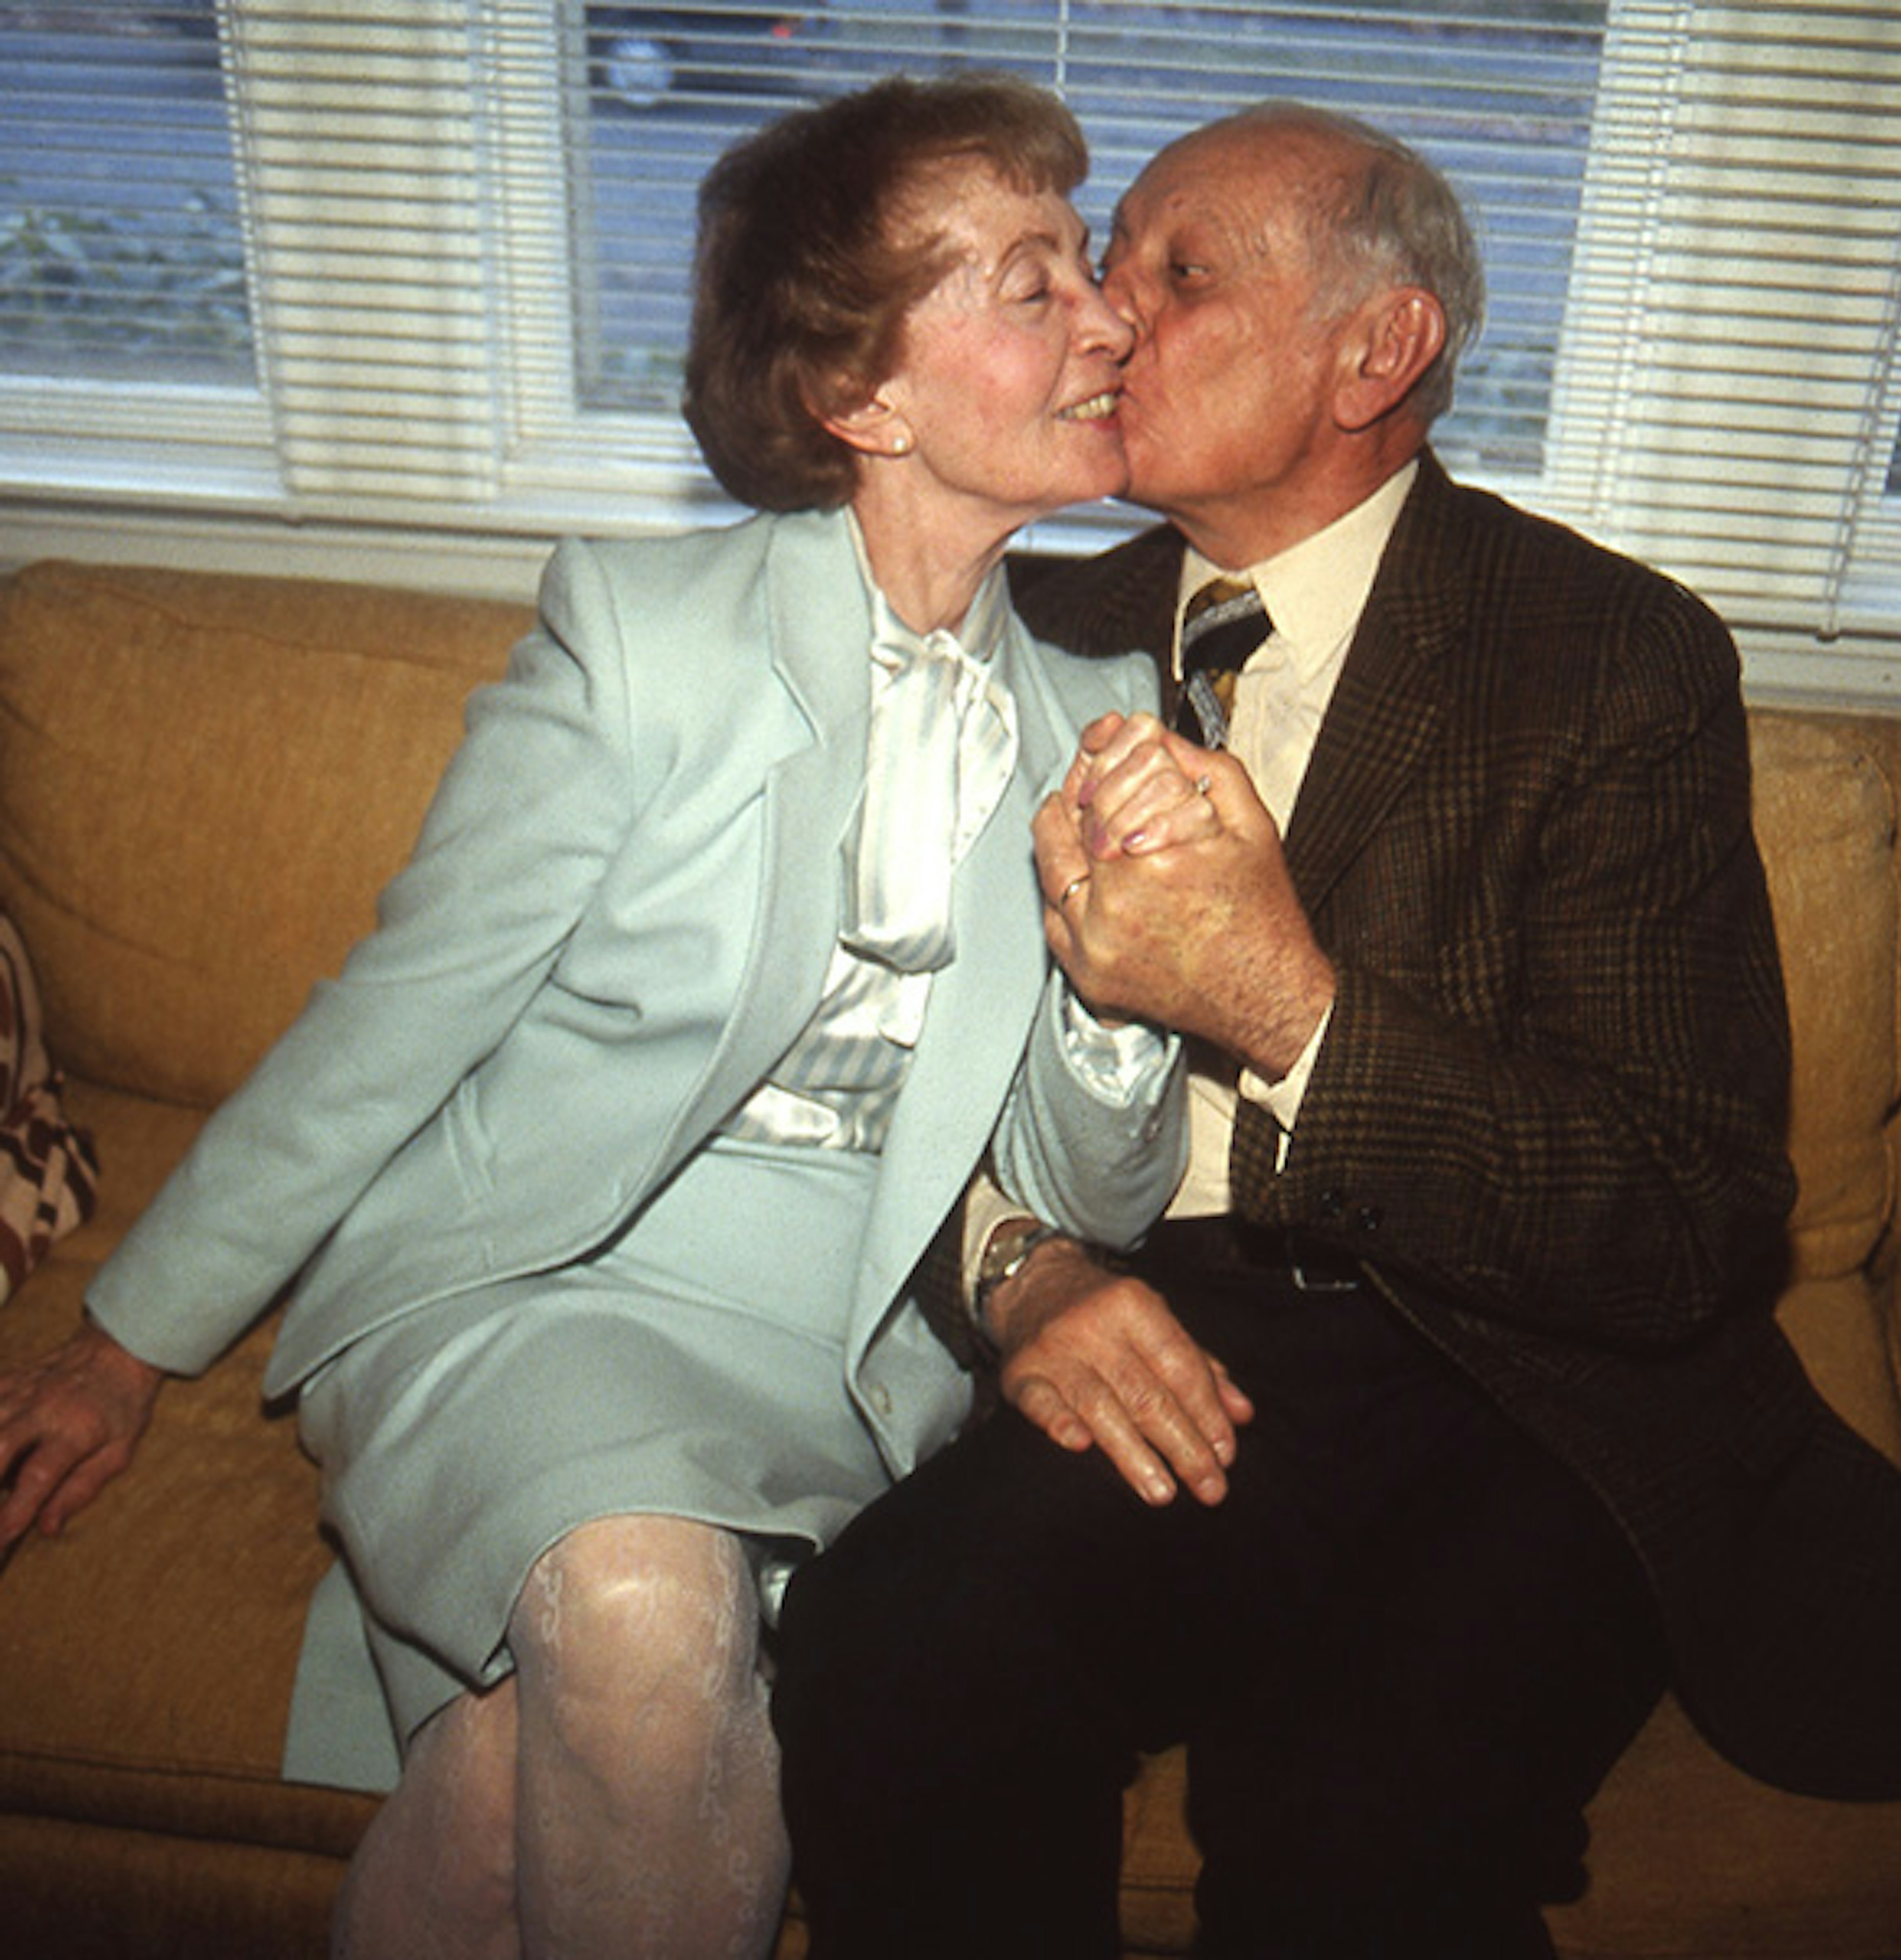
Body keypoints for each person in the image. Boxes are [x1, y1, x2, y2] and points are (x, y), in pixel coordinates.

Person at [0, 75, 1199, 1960]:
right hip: (551, 1279)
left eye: (1087, 264)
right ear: (861, 398)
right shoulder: (640, 645)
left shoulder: (1107, 705)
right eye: (1032, 283)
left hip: (849, 1344)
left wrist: (1131, 995)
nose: (1111, 318)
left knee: (501, 1812)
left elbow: (1085, 1193)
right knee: (641, 1611)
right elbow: (390, 1026)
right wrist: (126, 1345)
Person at [770, 101, 1901, 1958]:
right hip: (1166, 1331)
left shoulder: (1608, 656)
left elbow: (1684, 1211)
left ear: (1377, 351)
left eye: (1177, 271)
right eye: (1097, 268)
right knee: (886, 1650)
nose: (1103, 317)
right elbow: (849, 1070)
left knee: (1353, 1830)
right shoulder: (1021, 625)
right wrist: (1020, 1272)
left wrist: (1288, 1008)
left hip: (1524, 1380)